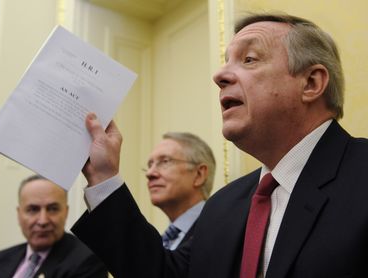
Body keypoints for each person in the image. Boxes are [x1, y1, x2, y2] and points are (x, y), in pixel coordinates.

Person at [71, 12, 368, 278]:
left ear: (312, 83)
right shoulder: (222, 206)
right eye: (227, 61)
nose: (219, 75)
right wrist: (103, 178)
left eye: (249, 59)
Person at [0, 175, 108, 278]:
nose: (42, 221)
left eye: (52, 209)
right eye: (33, 209)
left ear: (66, 212)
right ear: (19, 214)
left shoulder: (87, 262)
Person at [145, 132, 215, 250]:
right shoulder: (163, 242)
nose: (150, 173)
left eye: (165, 161)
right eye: (150, 165)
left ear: (199, 175)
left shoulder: (217, 230)